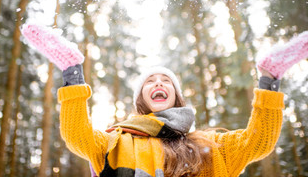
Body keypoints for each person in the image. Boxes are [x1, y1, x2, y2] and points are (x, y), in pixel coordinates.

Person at [21, 25, 308, 177]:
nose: (158, 82)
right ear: (141, 100)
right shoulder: (116, 142)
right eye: (150, 81)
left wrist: (269, 81)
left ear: (176, 95)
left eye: (166, 80)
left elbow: (258, 143)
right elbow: (76, 135)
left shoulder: (210, 147)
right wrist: (73, 73)